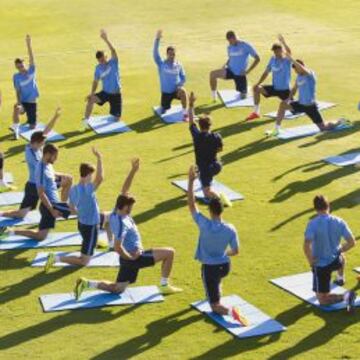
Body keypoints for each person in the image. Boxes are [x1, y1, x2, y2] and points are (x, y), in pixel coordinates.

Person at [74, 158, 183, 300]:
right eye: (129, 208)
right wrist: (131, 257)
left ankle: (87, 283)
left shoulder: (115, 212)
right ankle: (164, 285)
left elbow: (124, 189)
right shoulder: (120, 223)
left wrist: (133, 170)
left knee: (117, 289)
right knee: (169, 253)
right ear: (123, 207)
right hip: (134, 256)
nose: (131, 210)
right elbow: (118, 247)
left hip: (129, 258)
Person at [186, 166, 246, 323]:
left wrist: (191, 182)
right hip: (225, 267)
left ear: (210, 211)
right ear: (221, 211)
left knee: (214, 306)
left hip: (210, 268)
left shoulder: (204, 224)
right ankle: (216, 293)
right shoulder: (230, 228)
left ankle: (232, 312)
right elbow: (236, 250)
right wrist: (225, 253)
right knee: (216, 281)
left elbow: (192, 205)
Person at [45, 148, 104, 270]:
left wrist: (80, 212)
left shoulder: (74, 189)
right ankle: (56, 258)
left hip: (82, 224)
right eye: (91, 175)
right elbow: (100, 178)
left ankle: (89, 245)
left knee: (88, 242)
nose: (92, 178)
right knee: (84, 261)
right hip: (90, 226)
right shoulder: (88, 189)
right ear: (87, 175)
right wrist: (99, 158)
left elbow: (71, 207)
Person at [0, 144, 73, 241]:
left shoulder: (48, 164)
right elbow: (41, 193)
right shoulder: (42, 170)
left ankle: (10, 232)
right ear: (47, 155)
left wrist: (64, 178)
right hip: (51, 205)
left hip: (52, 204)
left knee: (41, 236)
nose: (56, 159)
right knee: (83, 213)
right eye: (55, 156)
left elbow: (51, 181)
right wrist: (52, 210)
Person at [266, 54, 351, 137]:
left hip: (311, 107)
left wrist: (291, 59)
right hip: (300, 104)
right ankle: (276, 130)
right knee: (283, 104)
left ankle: (340, 121)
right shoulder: (299, 76)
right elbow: (294, 89)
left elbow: (303, 69)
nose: (296, 71)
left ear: (301, 66)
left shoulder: (310, 74)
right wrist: (288, 99)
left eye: (296, 69)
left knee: (323, 128)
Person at [0, 108, 61, 221]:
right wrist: (55, 174)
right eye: (41, 144)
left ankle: (60, 207)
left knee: (67, 180)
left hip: (43, 182)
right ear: (35, 143)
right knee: (20, 215)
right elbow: (42, 170)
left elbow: (46, 131)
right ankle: (1, 213)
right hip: (34, 186)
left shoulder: (37, 144)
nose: (43, 146)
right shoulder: (30, 154)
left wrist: (55, 117)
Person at [304, 195, 356, 312]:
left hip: (321, 267)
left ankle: (346, 296)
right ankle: (340, 277)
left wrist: (311, 261)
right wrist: (340, 249)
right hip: (336, 261)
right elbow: (352, 242)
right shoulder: (339, 221)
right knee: (341, 254)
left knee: (323, 300)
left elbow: (306, 245)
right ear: (329, 206)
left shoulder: (312, 223)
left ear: (315, 208)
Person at [188, 92, 230, 206]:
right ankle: (206, 183)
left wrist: (191, 105)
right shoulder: (216, 136)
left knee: (207, 192)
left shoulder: (197, 136)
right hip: (217, 165)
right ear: (210, 125)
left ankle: (221, 201)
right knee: (203, 179)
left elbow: (191, 122)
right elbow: (220, 149)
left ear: (200, 126)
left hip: (205, 169)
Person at [246, 35, 292, 121]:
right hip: (275, 88)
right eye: (274, 52)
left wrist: (283, 42)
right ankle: (256, 113)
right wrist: (258, 83)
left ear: (281, 51)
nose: (275, 54)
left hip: (285, 91)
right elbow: (266, 72)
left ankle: (305, 105)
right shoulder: (273, 59)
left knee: (296, 108)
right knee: (256, 88)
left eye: (277, 52)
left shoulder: (287, 60)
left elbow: (289, 52)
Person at [83, 29, 122, 128]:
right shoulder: (98, 68)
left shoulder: (114, 62)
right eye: (100, 60)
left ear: (106, 56)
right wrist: (92, 93)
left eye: (103, 58)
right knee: (90, 100)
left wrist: (106, 39)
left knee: (117, 119)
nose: (102, 61)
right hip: (105, 93)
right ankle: (85, 122)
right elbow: (95, 81)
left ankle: (115, 113)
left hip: (116, 94)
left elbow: (113, 51)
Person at [209, 30, 260, 102]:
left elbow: (258, 58)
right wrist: (225, 65)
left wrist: (248, 71)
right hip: (230, 70)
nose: (229, 43)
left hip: (240, 74)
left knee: (243, 97)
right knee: (212, 74)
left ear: (234, 38)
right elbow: (231, 58)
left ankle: (245, 91)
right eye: (228, 41)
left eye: (230, 41)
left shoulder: (245, 45)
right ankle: (214, 96)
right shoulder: (229, 47)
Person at [153, 30, 188, 121]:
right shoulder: (162, 64)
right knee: (164, 109)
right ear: (167, 54)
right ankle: (164, 106)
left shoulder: (179, 65)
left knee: (184, 92)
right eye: (170, 54)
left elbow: (184, 78)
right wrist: (157, 39)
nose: (172, 56)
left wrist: (179, 85)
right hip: (166, 93)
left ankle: (185, 114)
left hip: (176, 91)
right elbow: (155, 54)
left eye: (173, 54)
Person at [13, 34, 39, 139]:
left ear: (25, 65)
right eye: (18, 67)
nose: (21, 68)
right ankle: (16, 131)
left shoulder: (31, 71)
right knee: (16, 108)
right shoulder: (16, 77)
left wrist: (28, 43)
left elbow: (31, 57)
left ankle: (31, 118)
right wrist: (19, 103)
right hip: (23, 102)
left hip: (32, 102)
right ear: (16, 67)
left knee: (32, 126)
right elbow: (18, 91)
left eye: (22, 66)